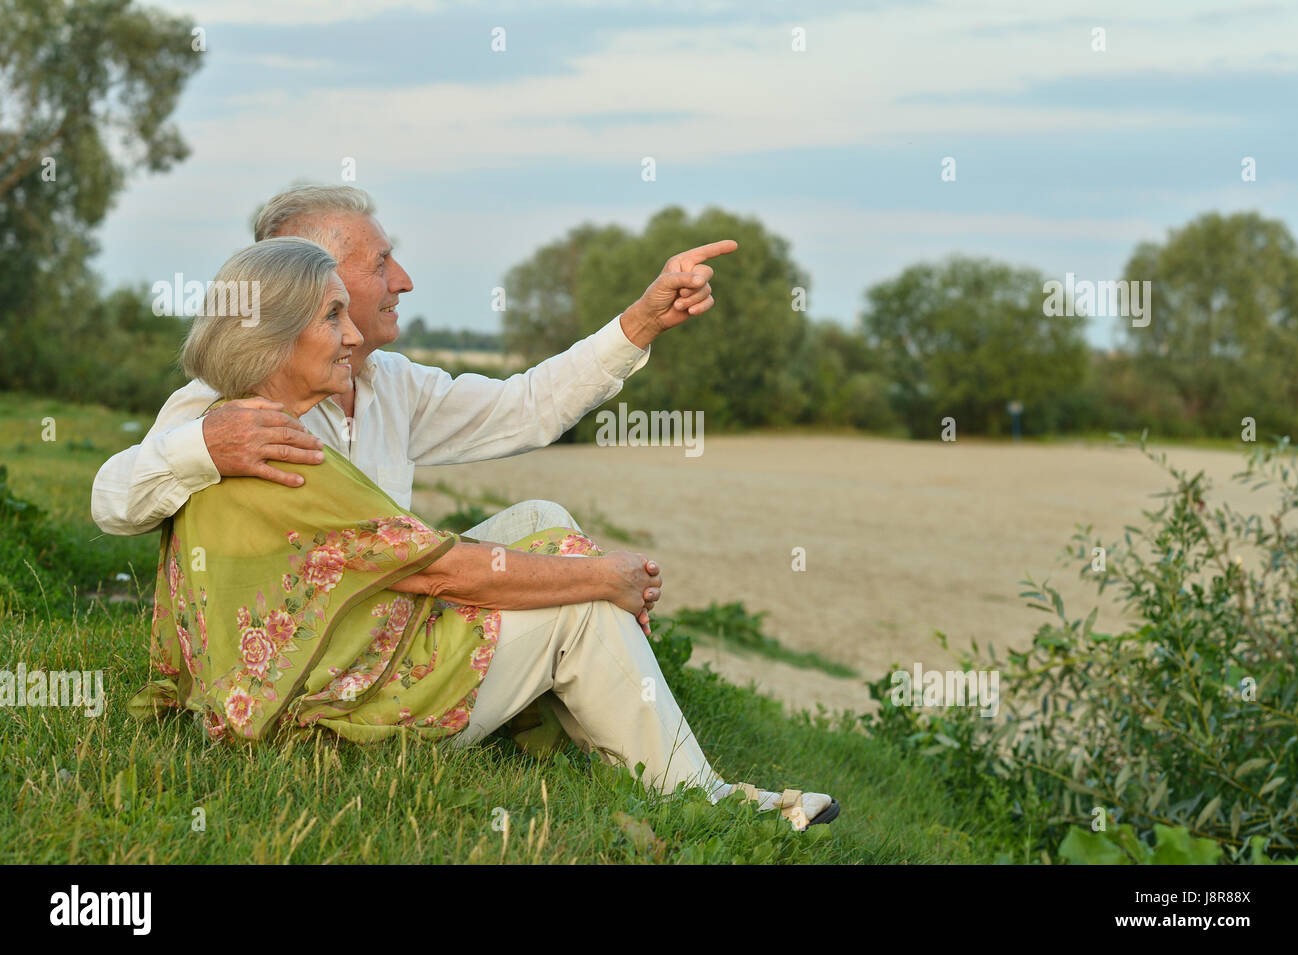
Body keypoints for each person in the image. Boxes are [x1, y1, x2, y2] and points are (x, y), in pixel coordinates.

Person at [125, 237, 840, 832]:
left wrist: (641, 323)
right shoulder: (245, 438)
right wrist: (604, 579)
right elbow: (438, 571)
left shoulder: (257, 413)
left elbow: (523, 407)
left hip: (296, 671)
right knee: (581, 602)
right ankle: (701, 798)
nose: (354, 330)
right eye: (335, 310)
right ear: (273, 334)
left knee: (544, 523)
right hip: (326, 718)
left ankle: (603, 720)